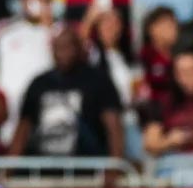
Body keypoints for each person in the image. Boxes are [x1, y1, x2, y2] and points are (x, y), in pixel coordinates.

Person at [10, 27, 124, 159]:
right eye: (58, 48)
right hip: (42, 168)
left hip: (85, 168)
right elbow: (23, 129)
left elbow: (113, 126)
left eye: (68, 46)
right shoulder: (39, 83)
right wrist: (7, 169)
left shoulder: (98, 81)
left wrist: (114, 166)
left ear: (78, 48)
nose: (63, 53)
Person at [0, 0, 56, 148]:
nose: (35, 3)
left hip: (47, 110)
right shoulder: (3, 30)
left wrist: (48, 25)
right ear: (22, 0)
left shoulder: (58, 32)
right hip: (8, 113)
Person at [139, 6, 179, 105]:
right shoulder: (144, 57)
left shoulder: (180, 57)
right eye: (169, 25)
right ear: (152, 29)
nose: (174, 29)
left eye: (175, 25)